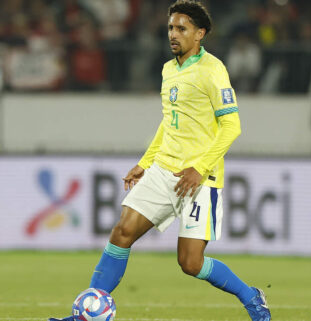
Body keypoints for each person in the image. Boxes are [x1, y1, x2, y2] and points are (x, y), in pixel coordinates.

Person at [49, 1, 271, 320]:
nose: (173, 34)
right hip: (162, 170)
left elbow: (232, 125)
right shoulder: (169, 69)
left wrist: (200, 168)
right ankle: (86, 313)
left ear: (200, 34)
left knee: (190, 263)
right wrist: (146, 160)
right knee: (122, 232)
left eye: (181, 28)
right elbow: (169, 121)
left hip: (198, 180)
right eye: (170, 27)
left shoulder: (213, 70)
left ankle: (251, 296)